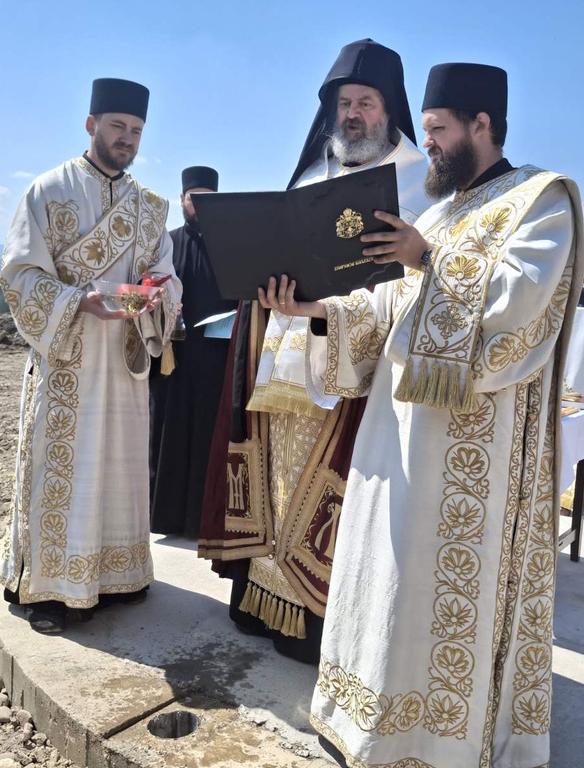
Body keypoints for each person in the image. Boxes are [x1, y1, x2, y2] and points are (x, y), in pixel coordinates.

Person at [260, 62, 582, 768]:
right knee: (386, 575)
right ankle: (363, 711)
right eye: (427, 130)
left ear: (482, 125)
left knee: (432, 592)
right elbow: (384, 305)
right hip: (393, 434)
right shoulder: (437, 211)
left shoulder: (541, 202)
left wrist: (428, 257)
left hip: (470, 447)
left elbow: (521, 305)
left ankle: (430, 740)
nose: (427, 143)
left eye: (437, 130)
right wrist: (312, 308)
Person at [198, 38, 429, 664]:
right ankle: (259, 594)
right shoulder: (312, 171)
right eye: (343, 103)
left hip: (352, 365)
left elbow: (412, 286)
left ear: (390, 110)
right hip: (282, 351)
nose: (352, 115)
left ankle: (315, 619)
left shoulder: (421, 185)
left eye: (366, 103)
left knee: (329, 489)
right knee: (274, 478)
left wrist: (326, 310)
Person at [0, 78, 180, 633]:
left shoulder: (150, 208)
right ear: (92, 125)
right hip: (68, 358)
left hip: (123, 362)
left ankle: (116, 574)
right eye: (118, 126)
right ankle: (51, 589)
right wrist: (79, 301)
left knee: (117, 469)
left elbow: (166, 278)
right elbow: (18, 274)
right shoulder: (47, 191)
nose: (127, 139)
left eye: (136, 131)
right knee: (64, 469)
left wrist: (157, 293)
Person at [149, 166, 236, 537]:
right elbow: (149, 289)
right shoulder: (164, 245)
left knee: (208, 437)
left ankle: (204, 519)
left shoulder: (235, 245)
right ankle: (163, 517)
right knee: (167, 434)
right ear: (181, 200)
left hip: (216, 361)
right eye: (192, 197)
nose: (199, 205)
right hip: (174, 360)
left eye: (207, 199)